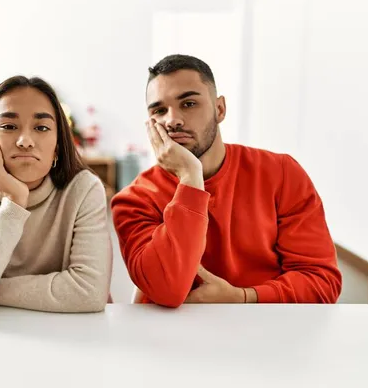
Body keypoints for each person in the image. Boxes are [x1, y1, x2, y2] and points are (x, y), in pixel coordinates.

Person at [111, 54, 342, 306]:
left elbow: (321, 282)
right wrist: (190, 177)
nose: (172, 120)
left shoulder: (282, 174)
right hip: (171, 338)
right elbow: (168, 290)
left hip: (264, 330)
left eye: (188, 103)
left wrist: (243, 298)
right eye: (159, 110)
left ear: (219, 109)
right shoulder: (134, 199)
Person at [0, 76, 112, 317]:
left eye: (41, 128)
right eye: (8, 126)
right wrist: (13, 204)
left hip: (58, 333)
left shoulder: (84, 190)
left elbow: (89, 292)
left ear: (57, 145)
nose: (25, 141)